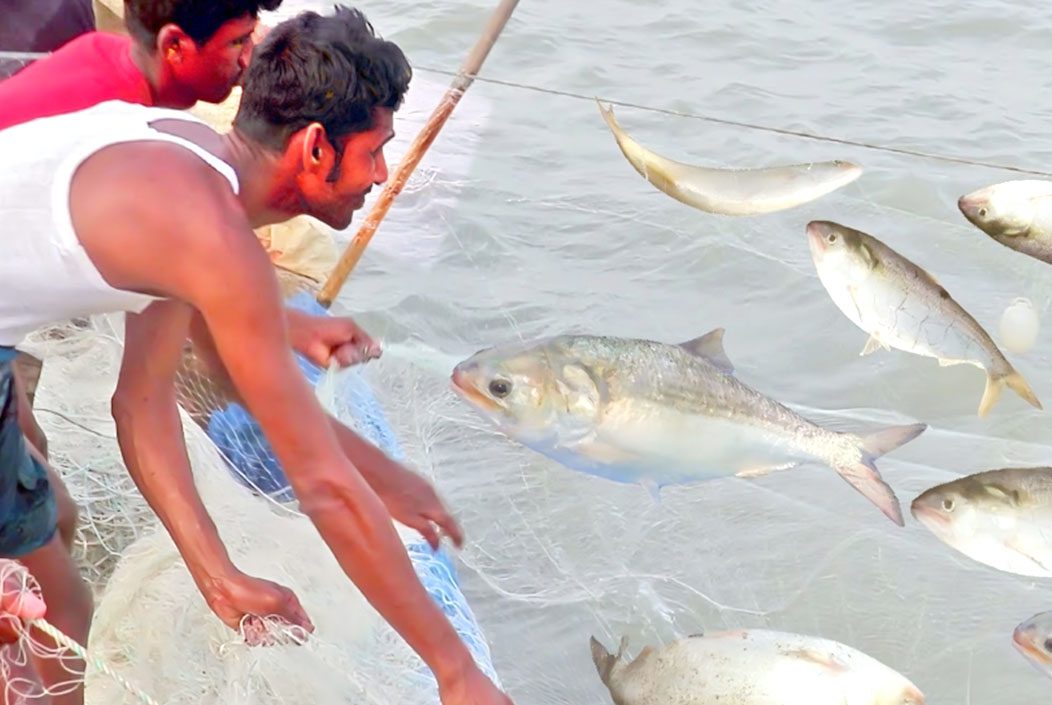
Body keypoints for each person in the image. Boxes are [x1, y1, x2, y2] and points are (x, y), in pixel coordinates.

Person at [0, 7, 512, 705]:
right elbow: (324, 488)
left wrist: (380, 478)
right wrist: (458, 674)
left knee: (49, 525)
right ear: (315, 150)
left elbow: (146, 402)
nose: (382, 174)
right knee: (54, 609)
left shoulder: (189, 176)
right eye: (375, 148)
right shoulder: (212, 235)